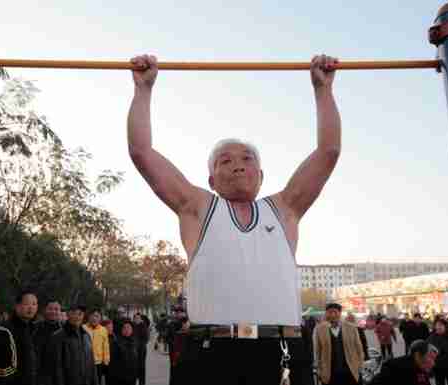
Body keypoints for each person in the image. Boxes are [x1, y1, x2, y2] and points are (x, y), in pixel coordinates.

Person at [127, 52, 340, 384]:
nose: (238, 165)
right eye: (224, 161)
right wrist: (143, 90)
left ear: (260, 174)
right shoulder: (198, 207)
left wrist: (323, 91)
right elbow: (142, 153)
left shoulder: (284, 209)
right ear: (211, 180)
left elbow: (328, 153)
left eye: (247, 159)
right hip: (212, 352)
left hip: (280, 349)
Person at [314, 303, 364, 385]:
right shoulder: (320, 329)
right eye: (330, 312)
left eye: (335, 312)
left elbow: (359, 348)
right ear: (326, 314)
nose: (333, 315)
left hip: (350, 370)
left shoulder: (351, 328)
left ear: (340, 313)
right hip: (330, 372)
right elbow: (318, 350)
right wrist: (319, 368)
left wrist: (360, 365)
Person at [47, 303, 98, 385]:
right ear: (68, 314)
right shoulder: (58, 336)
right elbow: (57, 368)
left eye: (80, 314)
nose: (77, 316)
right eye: (74, 313)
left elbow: (92, 364)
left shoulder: (86, 336)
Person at [5, 289, 39, 385]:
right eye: (27, 304)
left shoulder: (35, 329)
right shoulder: (6, 330)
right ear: (17, 306)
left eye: (34, 304)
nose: (31, 308)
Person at [369, 340, 438, 385]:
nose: (433, 363)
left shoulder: (421, 369)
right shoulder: (394, 367)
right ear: (417, 355)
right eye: (431, 357)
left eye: (434, 359)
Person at [34, 299, 63, 385]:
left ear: (60, 311)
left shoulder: (65, 330)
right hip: (40, 375)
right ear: (45, 310)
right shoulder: (35, 328)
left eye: (56, 309)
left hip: (60, 376)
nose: (53, 311)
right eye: (50, 308)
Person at [427, 319, 448, 385]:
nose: (439, 327)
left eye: (441, 325)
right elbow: (427, 354)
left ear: (445, 327)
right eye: (437, 325)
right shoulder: (430, 339)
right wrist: (429, 368)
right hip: (437, 367)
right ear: (435, 327)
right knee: (439, 383)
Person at [84, 310, 110, 385]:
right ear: (89, 317)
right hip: (86, 363)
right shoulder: (83, 328)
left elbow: (106, 346)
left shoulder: (103, 330)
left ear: (100, 318)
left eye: (97, 316)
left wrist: (106, 361)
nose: (94, 318)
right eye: (92, 316)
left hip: (98, 363)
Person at [108, 320, 139, 385]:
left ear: (132, 330)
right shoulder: (116, 343)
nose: (127, 330)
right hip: (120, 378)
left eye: (129, 328)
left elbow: (137, 360)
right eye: (124, 328)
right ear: (121, 330)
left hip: (132, 377)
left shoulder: (135, 342)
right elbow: (112, 363)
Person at [133, 313, 150, 385]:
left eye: (138, 318)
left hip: (141, 350)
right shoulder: (132, 326)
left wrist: (139, 344)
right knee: (133, 368)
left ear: (140, 319)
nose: (137, 319)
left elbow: (146, 339)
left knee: (141, 368)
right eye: (136, 318)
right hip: (133, 350)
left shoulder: (144, 326)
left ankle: (142, 383)